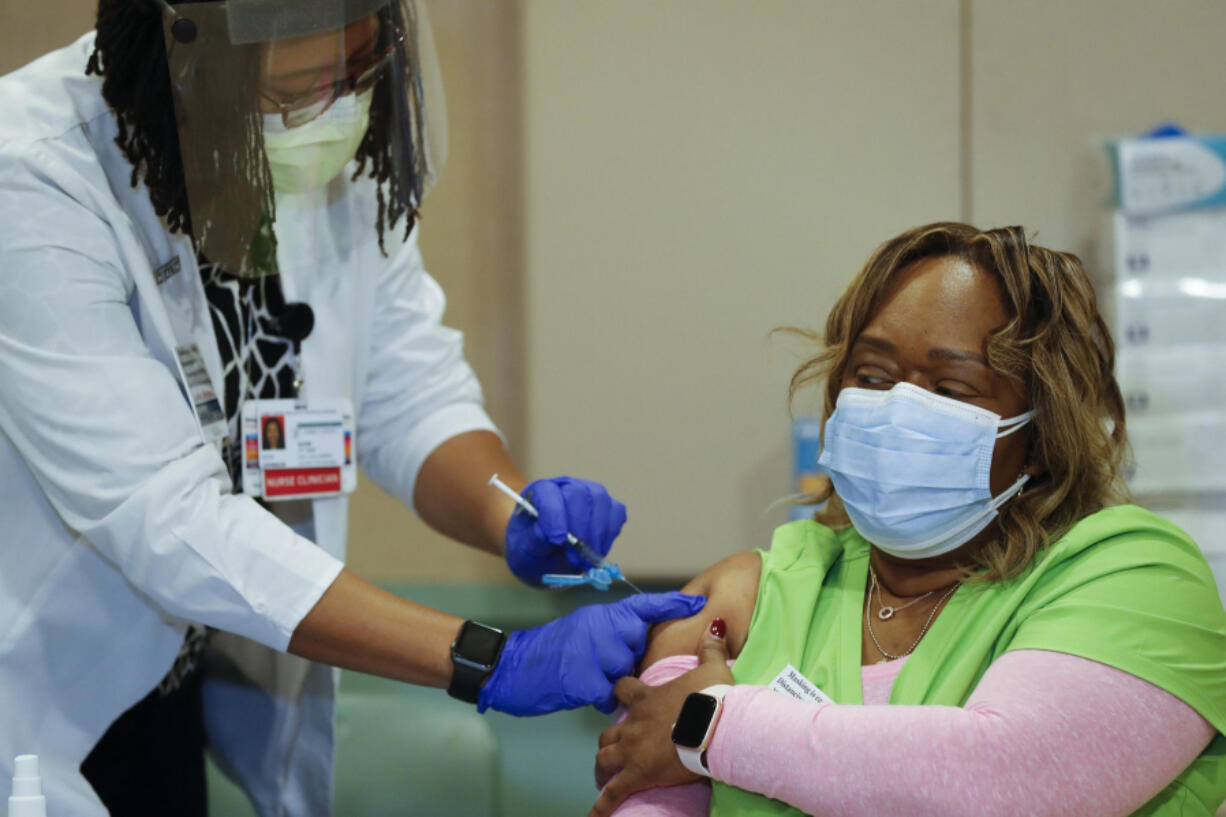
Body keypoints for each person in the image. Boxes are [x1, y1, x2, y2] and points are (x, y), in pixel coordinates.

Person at [0, 1, 704, 814]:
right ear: (187, 79)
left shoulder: (327, 144)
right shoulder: (35, 177)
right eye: (297, 93)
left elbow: (407, 388)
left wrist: (505, 507)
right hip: (41, 687)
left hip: (168, 672)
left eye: (358, 71)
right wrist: (489, 658)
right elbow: (166, 517)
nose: (334, 114)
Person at [589, 223, 1226, 817]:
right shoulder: (768, 581)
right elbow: (645, 779)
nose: (898, 409)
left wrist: (712, 725)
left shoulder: (1139, 575)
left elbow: (1003, 780)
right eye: (872, 375)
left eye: (950, 391)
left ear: (1038, 436)